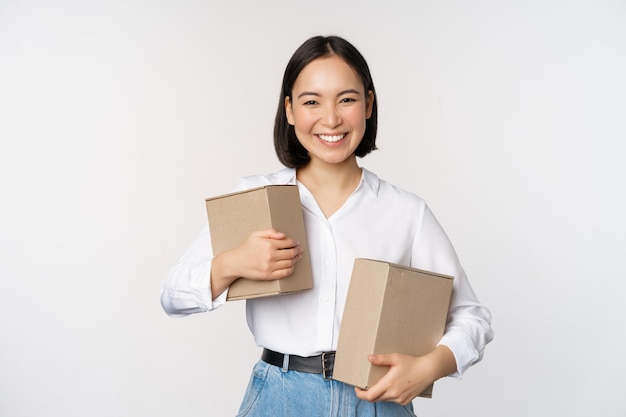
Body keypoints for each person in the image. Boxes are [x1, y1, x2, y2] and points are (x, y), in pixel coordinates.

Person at [161, 35, 494, 416]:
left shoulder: (406, 212)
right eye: (311, 101)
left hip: (375, 401)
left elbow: (472, 316)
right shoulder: (255, 199)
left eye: (347, 99)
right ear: (289, 110)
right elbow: (172, 297)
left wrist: (429, 367)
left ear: (368, 104)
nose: (331, 118)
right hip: (280, 397)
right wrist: (232, 264)